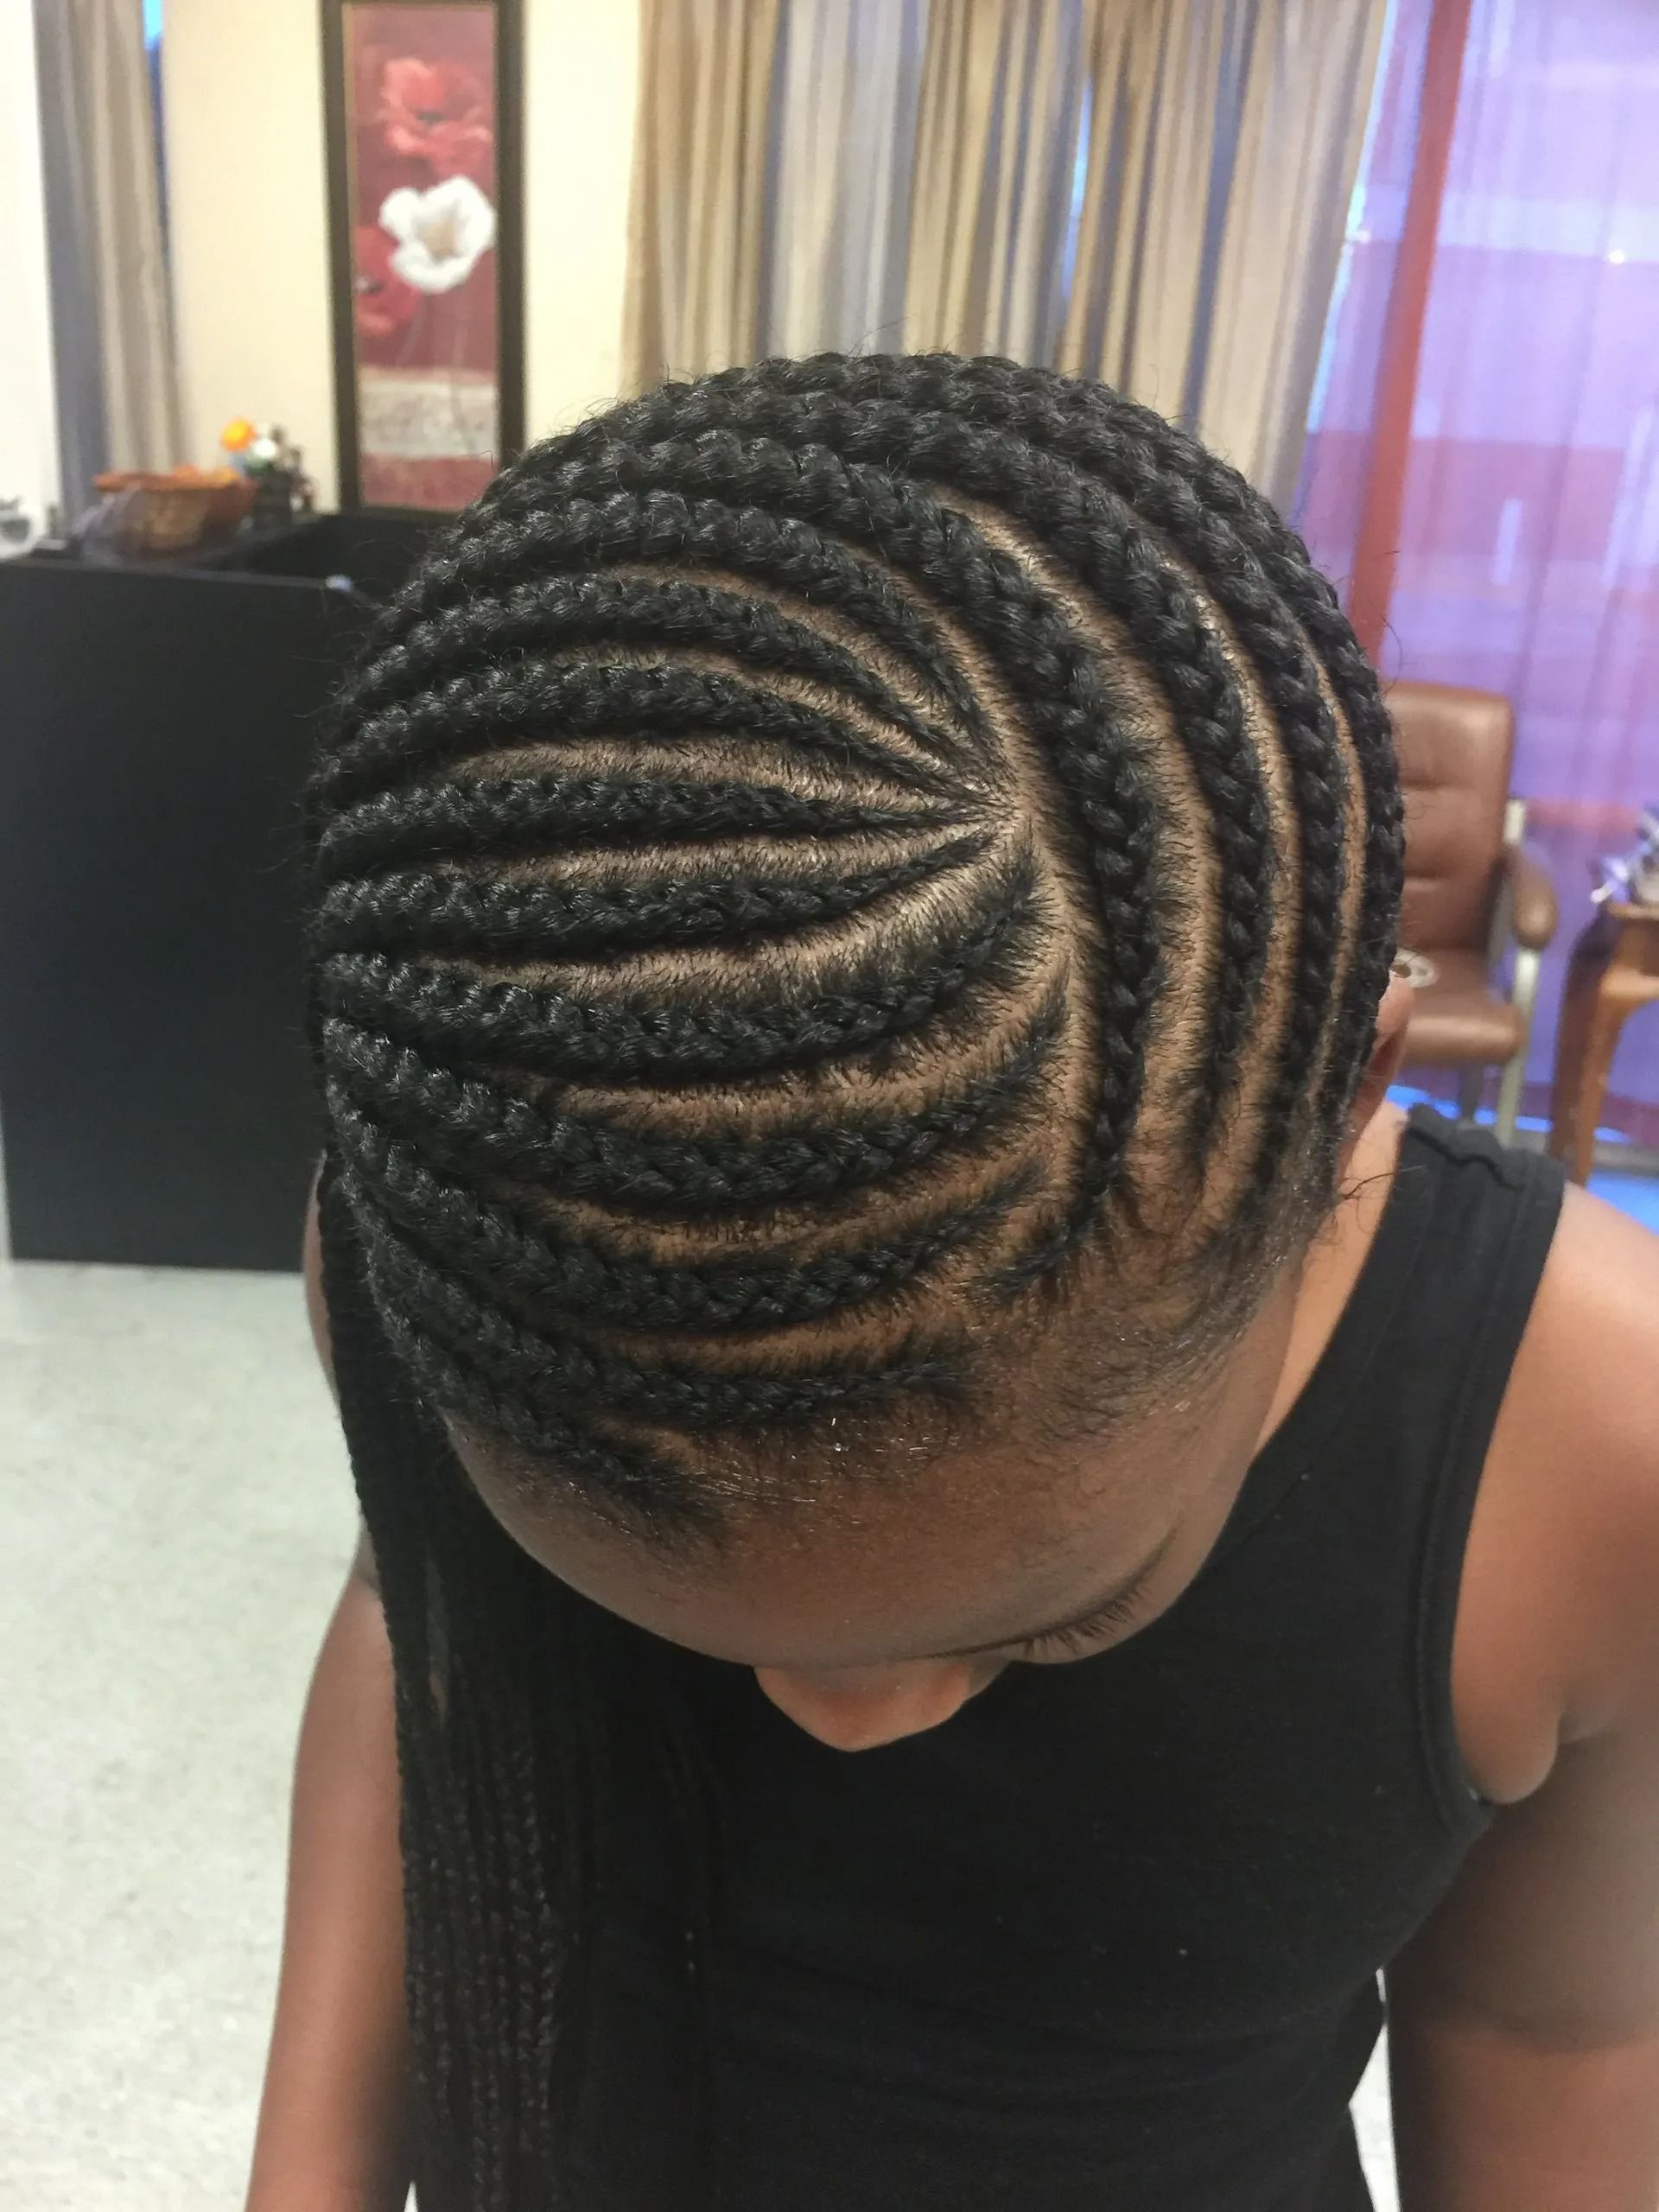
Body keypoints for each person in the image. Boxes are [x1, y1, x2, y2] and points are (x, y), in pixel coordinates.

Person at [245, 353, 1659, 2212]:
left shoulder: (1584, 1423)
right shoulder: (450, 1257)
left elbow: (1559, 2030)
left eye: (1058, 1608)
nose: (860, 1715)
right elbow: (409, 1612)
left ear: (1342, 1101)